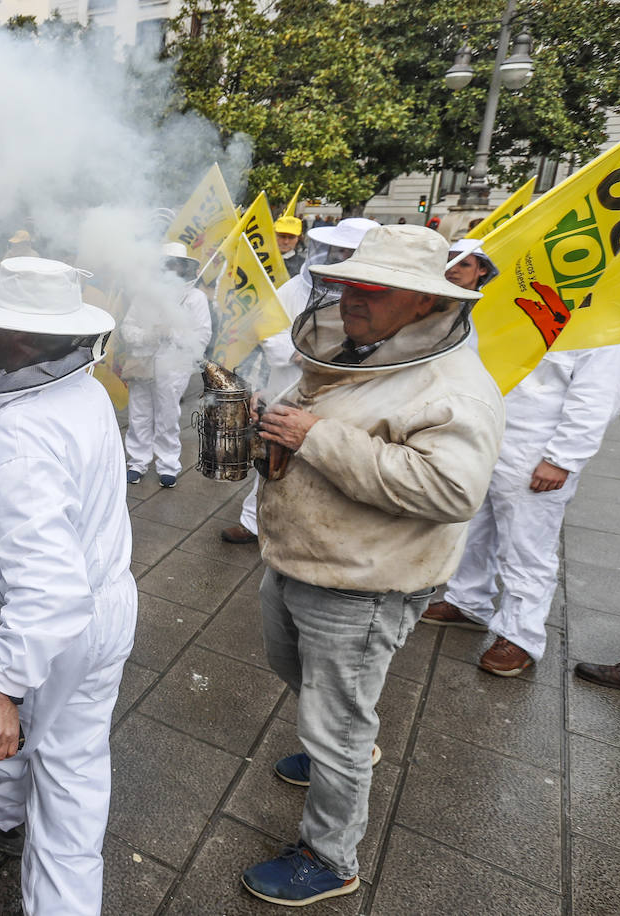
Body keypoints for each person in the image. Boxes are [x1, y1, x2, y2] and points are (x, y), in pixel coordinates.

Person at [241, 225, 504, 906]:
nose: (352, 298)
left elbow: (451, 490)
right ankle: (338, 743)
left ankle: (331, 856)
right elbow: (326, 409)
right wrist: (277, 420)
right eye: (349, 283)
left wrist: (315, 437)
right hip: (304, 556)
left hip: (364, 582)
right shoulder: (360, 344)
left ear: (422, 303)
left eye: (373, 288)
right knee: (293, 670)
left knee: (339, 724)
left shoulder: (454, 383)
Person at [0, 257, 137, 916]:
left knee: (64, 793)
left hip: (53, 631)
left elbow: (47, 590)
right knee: (74, 755)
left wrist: (1, 690)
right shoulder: (86, 390)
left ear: (12, 338)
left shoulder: (16, 438)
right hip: (108, 608)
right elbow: (58, 474)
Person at [421, 326, 620, 675]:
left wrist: (563, 458)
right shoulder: (523, 291)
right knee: (473, 528)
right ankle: (468, 601)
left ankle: (520, 636)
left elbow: (597, 396)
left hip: (538, 448)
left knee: (527, 547)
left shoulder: (602, 320)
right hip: (490, 431)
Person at [221, 217, 379, 544]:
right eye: (338, 248)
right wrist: (301, 351)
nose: (340, 255)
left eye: (350, 250)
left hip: (342, 399)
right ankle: (253, 522)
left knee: (324, 463)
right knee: (269, 453)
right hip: (287, 386)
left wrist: (326, 354)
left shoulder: (380, 297)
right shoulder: (296, 288)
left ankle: (305, 532)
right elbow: (269, 329)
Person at [120, 241, 212, 487]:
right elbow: (127, 328)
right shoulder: (144, 294)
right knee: (138, 413)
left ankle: (168, 464)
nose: (170, 269)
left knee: (167, 415)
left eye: (175, 264)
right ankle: (136, 462)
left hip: (174, 366)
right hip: (143, 360)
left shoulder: (195, 298)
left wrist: (173, 334)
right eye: (166, 264)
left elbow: (202, 336)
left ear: (184, 267)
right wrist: (147, 336)